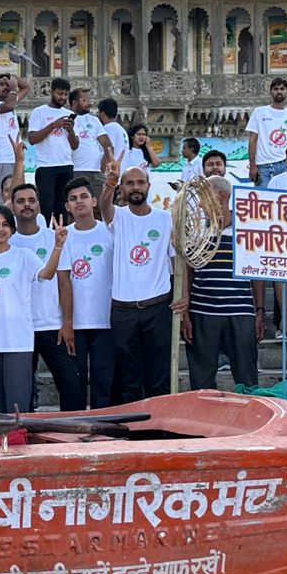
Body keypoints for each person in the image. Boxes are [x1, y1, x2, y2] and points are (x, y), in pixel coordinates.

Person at [0, 205, 64, 413]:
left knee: (18, 403)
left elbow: (46, 274)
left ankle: (20, 443)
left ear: (13, 230)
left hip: (18, 340)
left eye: (5, 225)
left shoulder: (24, 256)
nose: (0, 229)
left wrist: (58, 246)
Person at [176, 176, 265, 389]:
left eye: (203, 197)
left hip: (240, 312)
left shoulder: (247, 230)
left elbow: (258, 274)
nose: (198, 203)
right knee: (201, 377)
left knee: (247, 375)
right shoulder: (196, 231)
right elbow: (187, 272)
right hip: (203, 312)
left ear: (221, 196)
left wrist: (259, 311)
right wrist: (186, 313)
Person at [100, 165, 174, 403]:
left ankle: (159, 431)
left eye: (140, 183)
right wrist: (109, 184)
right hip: (124, 309)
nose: (135, 188)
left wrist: (181, 297)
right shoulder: (118, 217)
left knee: (158, 375)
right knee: (128, 376)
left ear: (148, 186)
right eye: (129, 183)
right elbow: (104, 207)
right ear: (122, 187)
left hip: (157, 305)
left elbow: (176, 261)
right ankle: (133, 432)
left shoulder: (165, 219)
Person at [10, 182, 85, 411]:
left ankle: (73, 436)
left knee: (71, 384)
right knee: (22, 391)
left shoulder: (54, 237)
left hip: (53, 325)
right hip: (20, 328)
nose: (27, 205)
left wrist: (67, 323)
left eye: (31, 200)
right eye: (21, 201)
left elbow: (64, 281)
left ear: (39, 205)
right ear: (12, 206)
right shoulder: (5, 241)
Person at [63, 176, 116, 407]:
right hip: (75, 325)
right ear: (67, 206)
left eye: (84, 196)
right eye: (73, 199)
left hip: (106, 321)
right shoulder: (63, 236)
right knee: (74, 386)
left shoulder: (111, 231)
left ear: (94, 201)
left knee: (103, 383)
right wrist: (66, 323)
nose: (79, 202)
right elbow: (63, 280)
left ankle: (103, 436)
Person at [27, 77, 77, 222]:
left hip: (66, 165)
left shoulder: (69, 114)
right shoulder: (39, 112)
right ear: (51, 92)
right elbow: (32, 139)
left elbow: (75, 145)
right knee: (45, 208)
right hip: (46, 167)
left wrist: (71, 130)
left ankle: (60, 240)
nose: (63, 97)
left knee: (62, 209)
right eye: (60, 93)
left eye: (66, 94)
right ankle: (44, 239)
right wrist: (53, 125)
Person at [0, 72, 30, 205]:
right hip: (2, 161)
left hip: (16, 160)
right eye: (1, 84)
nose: (6, 87)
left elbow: (26, 88)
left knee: (18, 199)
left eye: (8, 84)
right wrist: (13, 89)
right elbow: (8, 106)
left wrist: (11, 75)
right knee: (2, 201)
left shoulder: (12, 101)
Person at [245, 77, 287, 188]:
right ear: (270, 92)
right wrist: (252, 166)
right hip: (263, 167)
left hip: (285, 165)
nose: (279, 91)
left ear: (286, 92)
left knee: (285, 198)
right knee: (263, 199)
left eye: (282, 89)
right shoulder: (259, 113)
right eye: (276, 89)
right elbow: (252, 140)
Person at [68, 86, 113, 202]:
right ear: (74, 102)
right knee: (77, 208)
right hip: (76, 171)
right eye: (84, 100)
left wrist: (102, 166)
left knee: (102, 206)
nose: (88, 103)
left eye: (89, 100)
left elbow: (107, 145)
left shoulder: (94, 120)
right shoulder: (67, 119)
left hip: (97, 173)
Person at [98, 98, 129, 176]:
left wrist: (102, 171)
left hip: (111, 175)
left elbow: (109, 151)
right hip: (120, 174)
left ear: (102, 114)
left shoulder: (108, 128)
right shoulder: (122, 130)